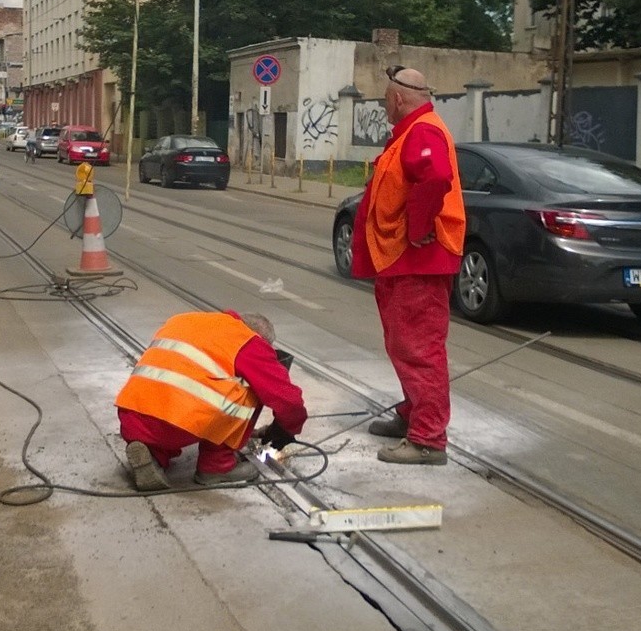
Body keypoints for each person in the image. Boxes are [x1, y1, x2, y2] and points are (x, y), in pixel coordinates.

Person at [351, 65, 465, 465]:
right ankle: (414, 413)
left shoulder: (423, 131)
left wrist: (418, 229)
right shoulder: (411, 133)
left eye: (385, 99)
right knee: (405, 344)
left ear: (398, 98)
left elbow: (435, 179)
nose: (384, 106)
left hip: (418, 260)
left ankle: (428, 439)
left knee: (419, 349)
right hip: (403, 261)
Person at [117, 310, 307, 491]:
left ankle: (153, 454)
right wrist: (285, 428)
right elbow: (288, 399)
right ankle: (217, 465)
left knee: (185, 394)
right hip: (176, 424)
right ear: (260, 338)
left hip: (131, 414)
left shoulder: (185, 320)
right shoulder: (248, 341)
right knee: (247, 387)